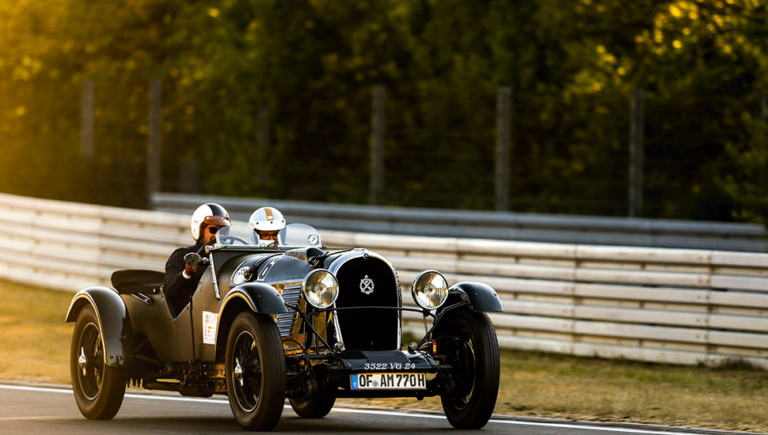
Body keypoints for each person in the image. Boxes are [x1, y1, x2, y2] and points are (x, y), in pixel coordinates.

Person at [164, 203, 231, 315]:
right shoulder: (182, 255)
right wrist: (186, 273)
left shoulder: (228, 259)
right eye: (213, 230)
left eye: (223, 231)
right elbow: (168, 290)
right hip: (191, 316)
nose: (218, 235)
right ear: (199, 230)